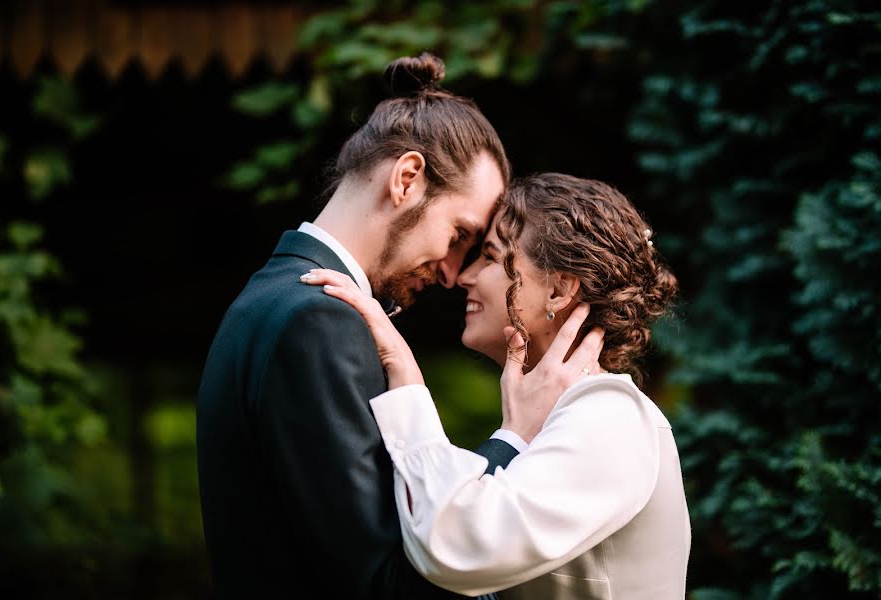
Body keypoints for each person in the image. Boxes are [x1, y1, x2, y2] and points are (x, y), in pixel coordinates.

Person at [196, 52, 602, 599]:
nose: (454, 273)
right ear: (407, 178)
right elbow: (386, 583)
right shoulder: (317, 320)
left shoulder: (268, 299)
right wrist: (514, 440)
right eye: (460, 234)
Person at [303, 173, 692, 599]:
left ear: (559, 290)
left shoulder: (611, 417)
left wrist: (408, 383)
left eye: (489, 256)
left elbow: (455, 545)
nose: (463, 276)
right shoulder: (565, 416)